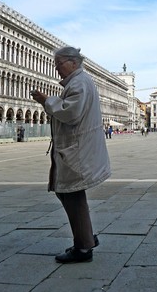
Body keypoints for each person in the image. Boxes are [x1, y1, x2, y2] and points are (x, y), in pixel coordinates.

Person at [31, 47, 111, 263]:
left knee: (71, 195)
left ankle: (83, 247)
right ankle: (85, 238)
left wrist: (45, 100)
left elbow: (70, 112)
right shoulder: (79, 82)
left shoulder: (79, 83)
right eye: (55, 64)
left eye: (59, 64)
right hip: (75, 148)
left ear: (73, 62)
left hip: (77, 150)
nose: (57, 68)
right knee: (68, 194)